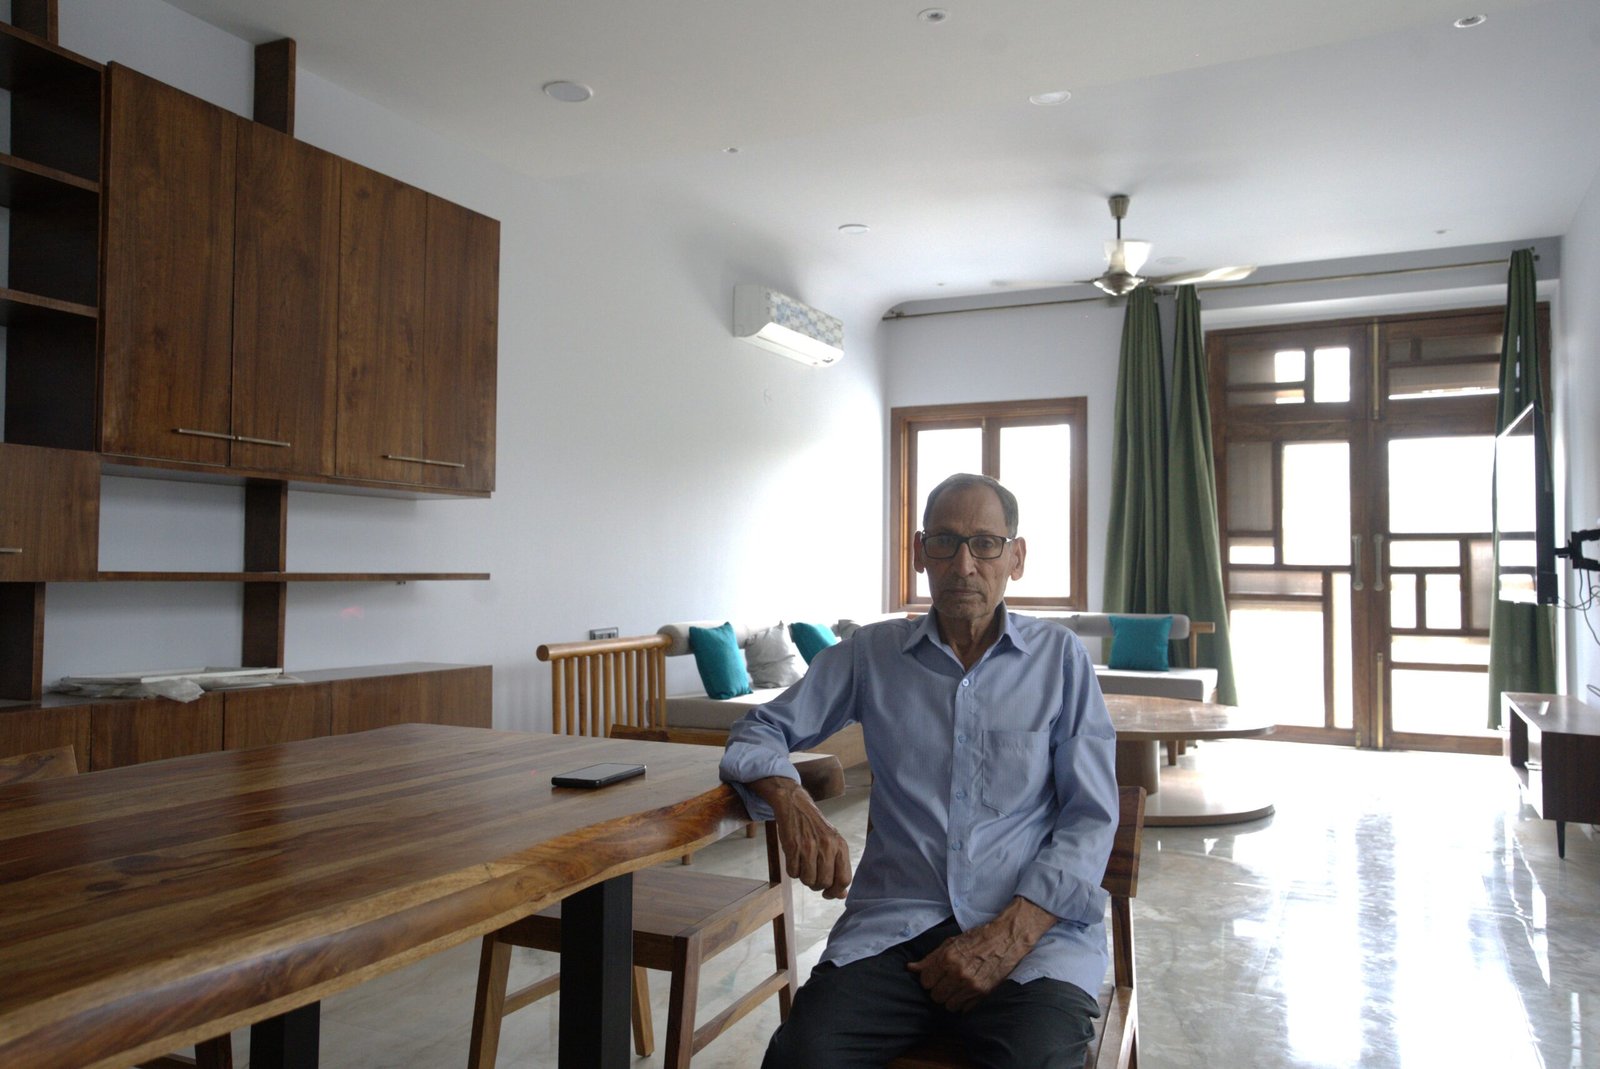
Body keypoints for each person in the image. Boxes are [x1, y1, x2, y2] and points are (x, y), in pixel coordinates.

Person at [719, 472, 1120, 1069]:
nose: (964, 565)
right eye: (944, 542)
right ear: (919, 552)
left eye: (985, 544)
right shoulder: (872, 655)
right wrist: (791, 798)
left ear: (1016, 558)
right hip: (895, 927)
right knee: (804, 1057)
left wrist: (1012, 933)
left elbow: (1091, 817)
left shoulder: (1059, 659)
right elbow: (758, 729)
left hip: (1031, 937)